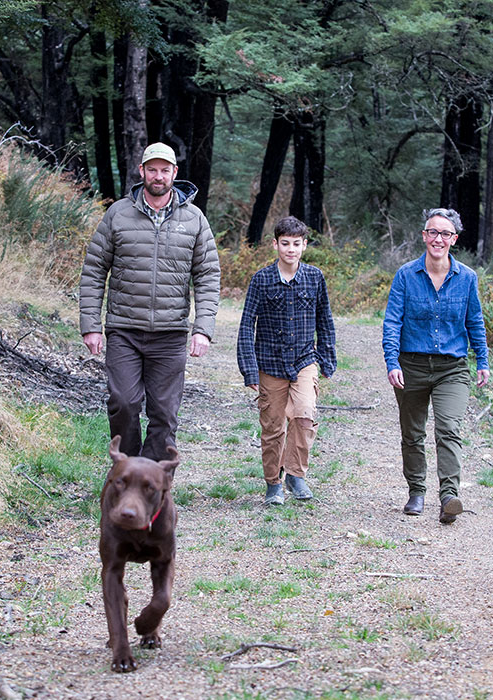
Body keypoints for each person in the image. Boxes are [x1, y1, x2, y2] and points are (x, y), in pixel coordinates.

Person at [80, 142, 220, 461]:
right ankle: (127, 468)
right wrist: (91, 325)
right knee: (123, 403)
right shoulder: (117, 214)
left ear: (175, 173)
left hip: (170, 335)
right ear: (141, 171)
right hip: (124, 331)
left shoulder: (195, 220)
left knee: (165, 415)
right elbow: (93, 271)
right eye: (152, 169)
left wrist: (203, 329)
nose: (159, 176)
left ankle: (154, 480)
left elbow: (209, 276)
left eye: (165, 170)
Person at [382, 208, 491, 524]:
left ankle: (449, 497)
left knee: (448, 428)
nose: (438, 239)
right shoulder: (405, 275)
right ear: (424, 236)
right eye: (433, 232)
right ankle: (416, 491)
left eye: (445, 234)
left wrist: (481, 360)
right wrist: (392, 362)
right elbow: (392, 322)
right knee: (412, 433)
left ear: (454, 239)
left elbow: (475, 322)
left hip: (452, 369)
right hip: (411, 365)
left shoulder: (467, 278)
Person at [237, 216, 337, 506]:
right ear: (275, 244)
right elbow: (246, 325)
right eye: (285, 244)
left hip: (305, 359)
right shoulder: (262, 279)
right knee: (273, 426)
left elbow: (325, 320)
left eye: (296, 244)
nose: (290, 249)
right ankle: (273, 484)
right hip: (269, 363)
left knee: (305, 415)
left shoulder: (315, 278)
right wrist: (249, 367)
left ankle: (296, 473)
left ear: (304, 246)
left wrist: (327, 358)